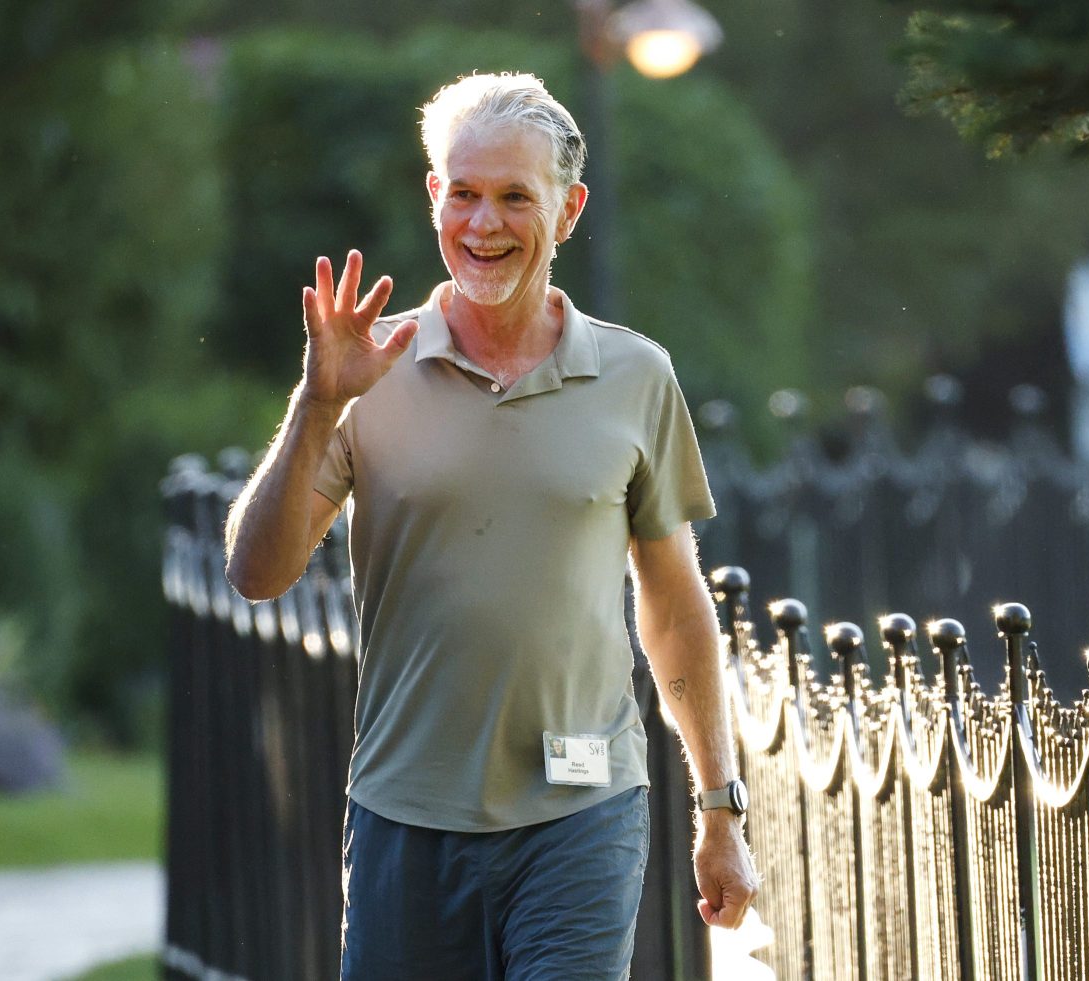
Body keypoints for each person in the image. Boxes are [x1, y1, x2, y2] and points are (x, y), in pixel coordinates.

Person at [224, 72, 758, 980]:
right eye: (464, 193)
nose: (485, 224)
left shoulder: (636, 376)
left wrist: (719, 809)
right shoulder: (367, 371)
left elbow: (673, 603)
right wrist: (317, 403)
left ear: (570, 208)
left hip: (583, 810)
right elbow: (256, 572)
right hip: (405, 815)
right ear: (434, 195)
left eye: (517, 197)